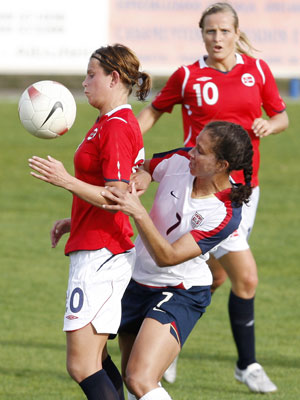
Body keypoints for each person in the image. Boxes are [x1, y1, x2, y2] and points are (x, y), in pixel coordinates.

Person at [137, 2, 289, 393]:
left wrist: (268, 125)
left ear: (237, 33)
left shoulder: (257, 71)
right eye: (210, 31)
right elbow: (153, 112)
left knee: (214, 274)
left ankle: (166, 343)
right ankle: (247, 364)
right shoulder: (187, 76)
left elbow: (281, 116)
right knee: (246, 277)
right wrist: (126, 141)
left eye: (224, 31)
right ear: (201, 34)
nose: (217, 38)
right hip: (198, 192)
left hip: (243, 192)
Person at [28, 43, 151, 400]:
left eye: (91, 74)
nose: (84, 82)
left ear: (113, 78)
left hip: (101, 254)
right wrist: (75, 218)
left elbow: (116, 197)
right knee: (96, 358)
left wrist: (65, 180)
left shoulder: (115, 126)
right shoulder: (109, 123)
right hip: (98, 246)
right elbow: (110, 188)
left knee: (81, 365)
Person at [100, 120, 254, 400]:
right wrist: (145, 174)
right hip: (136, 281)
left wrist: (138, 212)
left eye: (201, 151)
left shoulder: (225, 212)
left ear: (221, 165)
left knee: (139, 378)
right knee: (131, 379)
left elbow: (167, 257)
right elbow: (145, 166)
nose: (192, 153)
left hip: (179, 291)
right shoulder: (181, 160)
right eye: (195, 145)